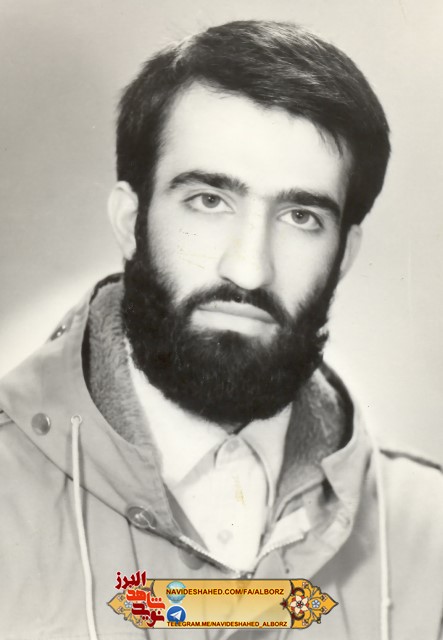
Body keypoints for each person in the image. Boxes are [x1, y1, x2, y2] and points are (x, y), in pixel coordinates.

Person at [0, 19, 442, 640]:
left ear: (344, 255)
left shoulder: (430, 535)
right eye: (208, 201)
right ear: (131, 222)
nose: (249, 268)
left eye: (301, 216)